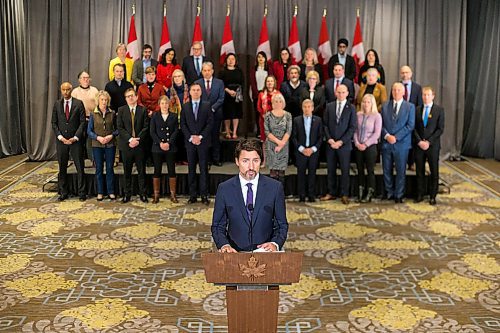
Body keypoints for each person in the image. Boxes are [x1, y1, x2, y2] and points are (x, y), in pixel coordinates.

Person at [212, 139, 288, 252]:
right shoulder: (224, 189)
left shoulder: (275, 188)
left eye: (255, 161)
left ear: (261, 162)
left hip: (266, 254)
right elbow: (218, 226)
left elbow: (281, 225)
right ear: (237, 161)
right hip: (235, 253)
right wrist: (224, 245)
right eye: (245, 161)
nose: (251, 166)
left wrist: (274, 244)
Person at [321, 84, 357, 205]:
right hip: (331, 144)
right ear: (335, 93)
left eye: (343, 92)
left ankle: (344, 194)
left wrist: (341, 141)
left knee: (345, 170)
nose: (341, 94)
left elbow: (352, 128)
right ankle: (331, 192)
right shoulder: (329, 106)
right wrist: (330, 139)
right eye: (339, 92)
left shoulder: (351, 108)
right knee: (330, 169)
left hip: (344, 145)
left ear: (347, 93)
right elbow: (325, 125)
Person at [51, 82, 86, 201]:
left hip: (75, 141)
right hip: (62, 142)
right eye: (63, 90)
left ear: (71, 90)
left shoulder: (78, 103)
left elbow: (82, 122)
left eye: (68, 90)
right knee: (62, 167)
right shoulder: (57, 104)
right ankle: (63, 192)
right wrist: (60, 137)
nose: (65, 92)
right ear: (61, 90)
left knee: (80, 167)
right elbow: (54, 123)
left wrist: (76, 137)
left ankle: (82, 192)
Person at [381, 82, 415, 203]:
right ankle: (389, 192)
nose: (396, 92)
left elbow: (410, 125)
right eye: (394, 90)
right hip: (387, 143)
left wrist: (396, 137)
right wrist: (387, 136)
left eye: (399, 90)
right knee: (386, 169)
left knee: (401, 170)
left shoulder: (410, 107)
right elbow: (381, 125)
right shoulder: (385, 106)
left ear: (404, 92)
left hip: (402, 144)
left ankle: (399, 194)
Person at [180, 83, 213, 205]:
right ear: (190, 92)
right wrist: (190, 137)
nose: (195, 92)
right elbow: (183, 124)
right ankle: (192, 195)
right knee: (191, 169)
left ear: (201, 92)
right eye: (193, 90)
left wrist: (200, 136)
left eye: (198, 90)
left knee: (204, 169)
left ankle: (204, 195)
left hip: (202, 142)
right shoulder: (185, 106)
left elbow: (210, 123)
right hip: (190, 143)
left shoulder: (206, 105)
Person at [117, 88, 150, 203]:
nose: (130, 98)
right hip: (127, 145)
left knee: (142, 171)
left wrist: (137, 140)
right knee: (127, 171)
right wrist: (130, 139)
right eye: (128, 96)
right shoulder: (121, 110)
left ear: (136, 97)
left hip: (140, 145)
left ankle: (143, 194)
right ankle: (127, 194)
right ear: (125, 99)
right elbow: (120, 128)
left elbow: (146, 127)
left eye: (132, 96)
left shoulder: (143, 110)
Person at [413, 87, 444, 205]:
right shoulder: (417, 110)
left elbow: (440, 129)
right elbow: (414, 128)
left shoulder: (439, 110)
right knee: (419, 171)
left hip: (432, 146)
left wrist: (429, 142)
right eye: (424, 95)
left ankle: (432, 195)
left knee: (434, 172)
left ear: (433, 96)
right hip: (419, 145)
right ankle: (420, 194)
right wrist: (419, 141)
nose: (425, 97)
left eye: (428, 95)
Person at [87, 90, 118, 201]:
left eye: (106, 100)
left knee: (110, 168)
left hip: (110, 144)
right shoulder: (93, 114)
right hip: (97, 145)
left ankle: (110, 191)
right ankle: (100, 192)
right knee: (99, 169)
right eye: (102, 100)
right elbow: (89, 131)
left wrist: (111, 136)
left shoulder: (112, 113)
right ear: (98, 101)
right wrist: (98, 138)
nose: (104, 102)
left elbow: (117, 129)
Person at [292, 99, 323, 202]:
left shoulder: (318, 120)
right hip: (301, 151)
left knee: (312, 173)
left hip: (313, 152)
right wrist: (302, 149)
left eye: (309, 107)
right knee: (301, 174)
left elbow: (320, 137)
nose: (307, 109)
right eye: (305, 107)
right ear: (302, 108)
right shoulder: (296, 120)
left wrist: (312, 149)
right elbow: (294, 137)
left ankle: (311, 195)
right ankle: (301, 195)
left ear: (313, 108)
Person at [150, 95, 179, 204]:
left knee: (172, 170)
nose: (164, 105)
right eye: (162, 103)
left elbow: (176, 131)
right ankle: (156, 194)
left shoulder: (174, 116)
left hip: (170, 147)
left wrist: (169, 143)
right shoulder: (155, 116)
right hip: (157, 147)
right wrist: (160, 143)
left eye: (166, 103)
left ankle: (173, 194)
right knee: (157, 170)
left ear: (169, 104)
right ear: (159, 104)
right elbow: (152, 132)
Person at [195, 61, 225, 166]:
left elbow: (221, 98)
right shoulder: (197, 83)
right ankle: (205, 160)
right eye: (204, 70)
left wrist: (212, 108)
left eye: (209, 70)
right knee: (204, 137)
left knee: (215, 137)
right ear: (202, 72)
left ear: (212, 71)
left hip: (216, 114)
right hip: (202, 116)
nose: (207, 72)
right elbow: (195, 97)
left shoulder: (219, 83)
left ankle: (216, 159)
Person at [353, 94, 382, 203]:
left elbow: (377, 133)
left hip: (370, 146)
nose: (366, 104)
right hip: (358, 146)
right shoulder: (358, 115)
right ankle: (361, 191)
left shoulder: (377, 116)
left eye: (368, 102)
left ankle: (370, 192)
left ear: (372, 103)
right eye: (364, 102)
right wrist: (357, 143)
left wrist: (365, 144)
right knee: (360, 170)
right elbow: (355, 131)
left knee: (370, 170)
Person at [264, 94, 292, 186]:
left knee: (281, 172)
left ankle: (281, 194)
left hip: (284, 145)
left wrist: (281, 144)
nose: (278, 103)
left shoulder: (288, 115)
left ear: (283, 103)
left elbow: (288, 131)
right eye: (276, 101)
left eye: (280, 101)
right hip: (271, 145)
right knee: (273, 171)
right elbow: (267, 132)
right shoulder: (268, 115)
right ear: (272, 103)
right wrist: (278, 142)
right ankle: (273, 194)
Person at [71, 70, 99, 161]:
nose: (86, 80)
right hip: (79, 120)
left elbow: (98, 105)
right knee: (79, 141)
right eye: (84, 78)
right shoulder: (75, 92)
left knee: (90, 141)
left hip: (92, 119)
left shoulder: (94, 90)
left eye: (87, 78)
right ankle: (79, 160)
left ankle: (92, 160)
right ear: (79, 80)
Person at [257, 75, 281, 167]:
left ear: (274, 83)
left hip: (275, 121)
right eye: (268, 81)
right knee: (265, 141)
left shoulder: (278, 93)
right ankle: (265, 161)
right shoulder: (261, 94)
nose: (270, 83)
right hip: (263, 120)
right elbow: (259, 107)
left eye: (271, 81)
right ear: (265, 83)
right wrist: (263, 115)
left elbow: (281, 106)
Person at [219, 53, 244, 139]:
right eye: (229, 59)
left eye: (233, 59)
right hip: (226, 94)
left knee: (236, 114)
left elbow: (242, 83)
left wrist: (237, 93)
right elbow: (220, 84)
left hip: (237, 95)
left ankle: (235, 132)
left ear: (235, 61)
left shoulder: (239, 71)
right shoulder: (222, 71)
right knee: (227, 114)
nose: (231, 61)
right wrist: (229, 91)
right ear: (226, 60)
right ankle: (227, 131)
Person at [167, 69, 190, 164]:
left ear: (183, 78)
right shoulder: (170, 91)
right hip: (174, 119)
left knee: (185, 139)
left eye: (179, 76)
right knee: (176, 139)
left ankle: (185, 159)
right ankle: (176, 159)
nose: (177, 78)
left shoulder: (189, 90)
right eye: (175, 77)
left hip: (187, 118)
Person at [249, 51, 272, 138]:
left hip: (267, 93)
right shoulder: (254, 69)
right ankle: (259, 131)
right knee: (258, 113)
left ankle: (268, 131)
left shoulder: (268, 68)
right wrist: (257, 93)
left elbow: (271, 80)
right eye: (259, 57)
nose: (261, 59)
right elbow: (252, 82)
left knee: (268, 113)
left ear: (265, 59)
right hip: (257, 94)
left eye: (262, 57)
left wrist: (267, 92)